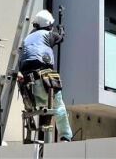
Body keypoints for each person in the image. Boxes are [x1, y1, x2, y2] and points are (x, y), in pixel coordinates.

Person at [18, 9, 73, 142]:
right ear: (48, 25)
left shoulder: (27, 38)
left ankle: (32, 133)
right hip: (44, 84)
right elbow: (60, 38)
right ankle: (65, 137)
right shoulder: (48, 35)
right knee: (59, 108)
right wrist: (61, 29)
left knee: (47, 107)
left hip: (28, 91)